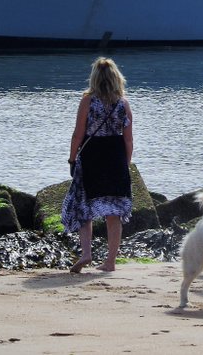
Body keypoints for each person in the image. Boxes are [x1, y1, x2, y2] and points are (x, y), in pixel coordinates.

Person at [62, 57, 134, 273]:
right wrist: (125, 163)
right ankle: (110, 262)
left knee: (85, 207)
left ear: (94, 77)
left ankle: (86, 254)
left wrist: (72, 158)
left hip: (92, 154)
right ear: (116, 78)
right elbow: (128, 139)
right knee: (114, 211)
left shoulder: (88, 100)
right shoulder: (123, 103)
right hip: (115, 155)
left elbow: (78, 134)